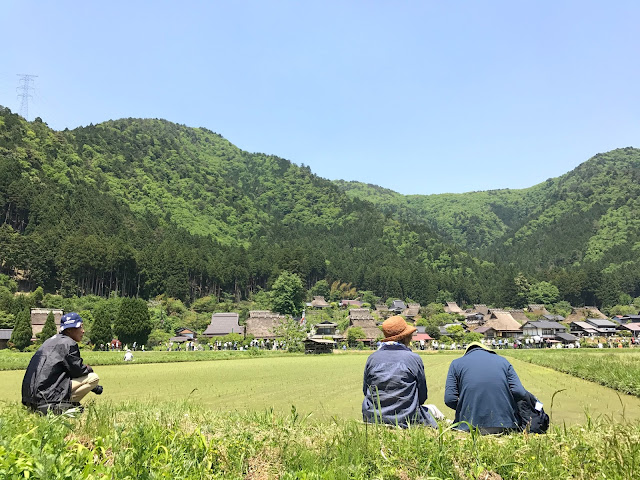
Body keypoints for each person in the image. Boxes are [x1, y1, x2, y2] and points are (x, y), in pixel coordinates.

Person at [362, 316, 438, 428]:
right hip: (406, 417)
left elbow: (366, 390)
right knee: (433, 414)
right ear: (405, 337)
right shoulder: (413, 358)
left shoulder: (372, 358)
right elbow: (422, 396)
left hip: (373, 418)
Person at [22, 312, 103, 414]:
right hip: (47, 398)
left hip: (30, 399)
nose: (83, 331)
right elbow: (78, 371)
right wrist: (89, 369)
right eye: (80, 327)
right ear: (69, 330)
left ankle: (51, 406)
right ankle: (63, 406)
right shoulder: (69, 343)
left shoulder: (49, 341)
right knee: (93, 377)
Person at [444, 342, 527, 434]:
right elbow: (520, 392)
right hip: (505, 425)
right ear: (488, 350)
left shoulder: (456, 363)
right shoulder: (503, 361)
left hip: (469, 426)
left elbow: (449, 399)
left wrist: (466, 409)